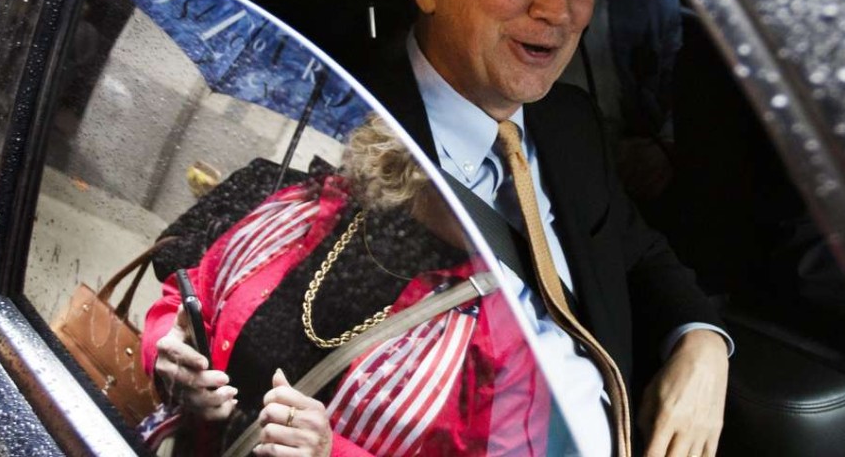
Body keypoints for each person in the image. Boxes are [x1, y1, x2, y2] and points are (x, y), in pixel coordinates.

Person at [359, 0, 733, 457]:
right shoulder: (339, 136)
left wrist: (702, 342)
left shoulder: (568, 123)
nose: (557, 8)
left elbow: (639, 255)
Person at [141, 115, 560, 455]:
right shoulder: (305, 208)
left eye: (522, 166)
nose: (505, 181)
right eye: (483, 154)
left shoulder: (511, 338)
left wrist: (330, 452)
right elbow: (188, 296)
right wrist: (168, 351)